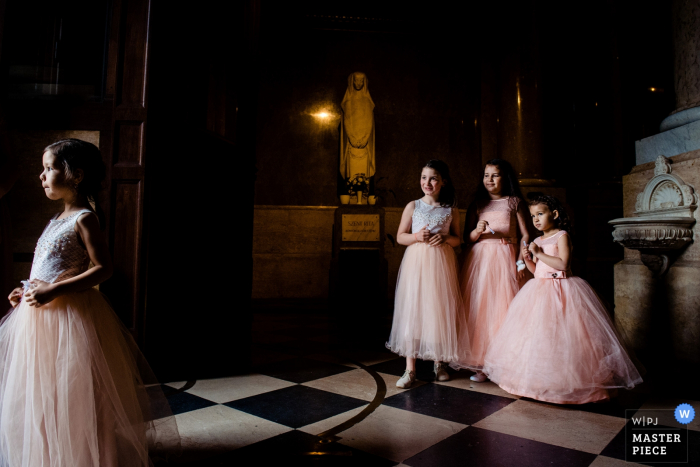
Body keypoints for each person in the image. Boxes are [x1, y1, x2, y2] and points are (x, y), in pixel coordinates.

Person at [0, 139, 179, 465]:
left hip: (70, 319)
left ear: (76, 175)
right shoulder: (55, 220)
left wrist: (54, 291)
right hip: (38, 320)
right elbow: (47, 267)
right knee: (40, 393)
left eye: (49, 168)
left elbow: (103, 269)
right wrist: (25, 290)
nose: (41, 175)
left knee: (73, 393)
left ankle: (82, 456)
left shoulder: (84, 218)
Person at [483, 194, 642, 403]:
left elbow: (563, 264)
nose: (536, 220)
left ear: (554, 214)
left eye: (540, 214)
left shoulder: (562, 236)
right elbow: (537, 271)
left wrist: (538, 253)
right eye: (532, 216)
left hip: (562, 289)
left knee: (566, 335)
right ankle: (539, 383)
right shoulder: (537, 240)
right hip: (539, 291)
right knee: (540, 336)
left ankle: (570, 383)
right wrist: (530, 259)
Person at [386, 160, 471, 388]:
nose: (427, 182)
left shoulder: (450, 209)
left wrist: (444, 238)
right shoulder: (413, 206)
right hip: (417, 264)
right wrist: (416, 237)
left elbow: (458, 240)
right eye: (424, 177)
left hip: (441, 265)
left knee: (438, 310)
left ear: (443, 181)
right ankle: (409, 369)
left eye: (433, 178)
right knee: (413, 309)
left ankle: (439, 363)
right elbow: (400, 236)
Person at [452, 159, 530, 381]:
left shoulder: (514, 203)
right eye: (486, 175)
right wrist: (477, 231)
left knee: (504, 309)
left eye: (495, 175)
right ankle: (482, 363)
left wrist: (520, 262)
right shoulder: (478, 204)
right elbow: (466, 239)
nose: (489, 179)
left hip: (506, 257)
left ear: (505, 178)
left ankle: (506, 362)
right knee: (481, 309)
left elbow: (525, 235)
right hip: (481, 261)